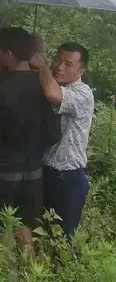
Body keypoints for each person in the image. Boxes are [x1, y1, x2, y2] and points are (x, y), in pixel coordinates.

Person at [0, 27, 62, 249]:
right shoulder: (41, 86)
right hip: (32, 173)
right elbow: (53, 134)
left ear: (9, 54)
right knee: (25, 230)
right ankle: (27, 279)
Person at [30, 42, 94, 237]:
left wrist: (41, 67)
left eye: (68, 64)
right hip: (46, 172)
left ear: (81, 71)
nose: (59, 66)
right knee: (40, 234)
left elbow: (53, 95)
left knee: (62, 239)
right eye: (58, 59)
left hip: (68, 178)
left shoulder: (82, 93)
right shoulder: (52, 83)